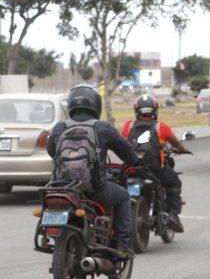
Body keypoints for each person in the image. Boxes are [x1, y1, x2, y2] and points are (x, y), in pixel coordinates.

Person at [46, 84, 141, 255]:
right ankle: (120, 245)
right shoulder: (102, 128)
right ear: (96, 105)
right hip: (93, 188)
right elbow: (127, 152)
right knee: (123, 197)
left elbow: (51, 151)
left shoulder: (60, 127)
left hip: (63, 188)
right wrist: (136, 161)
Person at [121, 95, 189, 232]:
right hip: (154, 169)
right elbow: (176, 143)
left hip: (131, 168)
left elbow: (120, 143)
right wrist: (182, 149)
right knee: (174, 182)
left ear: (137, 111)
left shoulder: (128, 126)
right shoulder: (161, 127)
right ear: (155, 111)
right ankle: (174, 215)